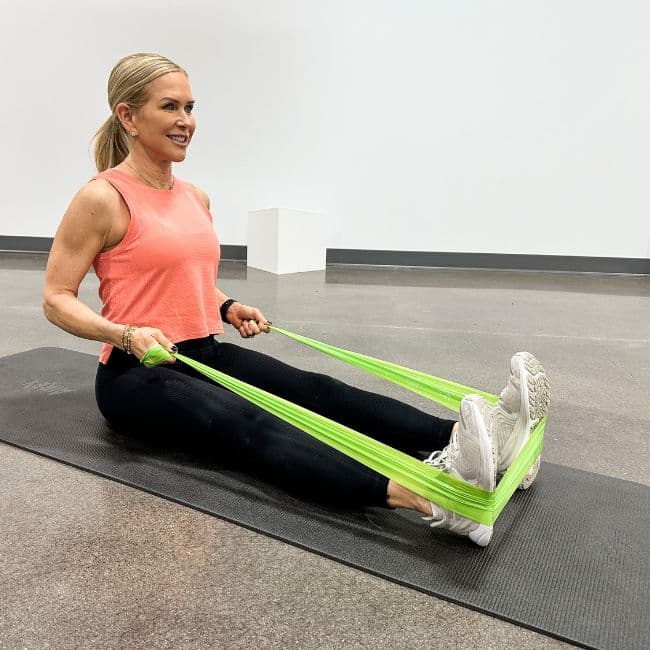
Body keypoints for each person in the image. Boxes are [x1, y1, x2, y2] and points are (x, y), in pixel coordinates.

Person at [43, 53, 550, 547]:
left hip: (201, 351)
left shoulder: (194, 197)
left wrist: (223, 305)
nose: (186, 121)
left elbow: (176, 275)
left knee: (318, 391)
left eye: (190, 108)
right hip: (136, 372)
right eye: (170, 107)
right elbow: (56, 298)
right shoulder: (102, 198)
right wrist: (124, 333)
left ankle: (478, 438)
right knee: (252, 425)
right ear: (128, 116)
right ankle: (437, 499)